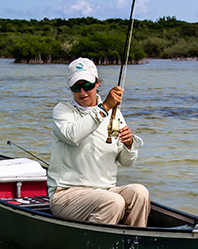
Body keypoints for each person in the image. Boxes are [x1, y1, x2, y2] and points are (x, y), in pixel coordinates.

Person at [47, 58, 150, 227]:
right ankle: (96, 247)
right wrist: (104, 108)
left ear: (97, 83)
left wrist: (129, 145)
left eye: (87, 85)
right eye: (76, 87)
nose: (82, 92)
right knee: (113, 201)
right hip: (65, 194)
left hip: (105, 191)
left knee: (140, 193)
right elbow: (73, 136)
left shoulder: (114, 114)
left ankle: (133, 243)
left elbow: (127, 161)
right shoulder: (62, 111)